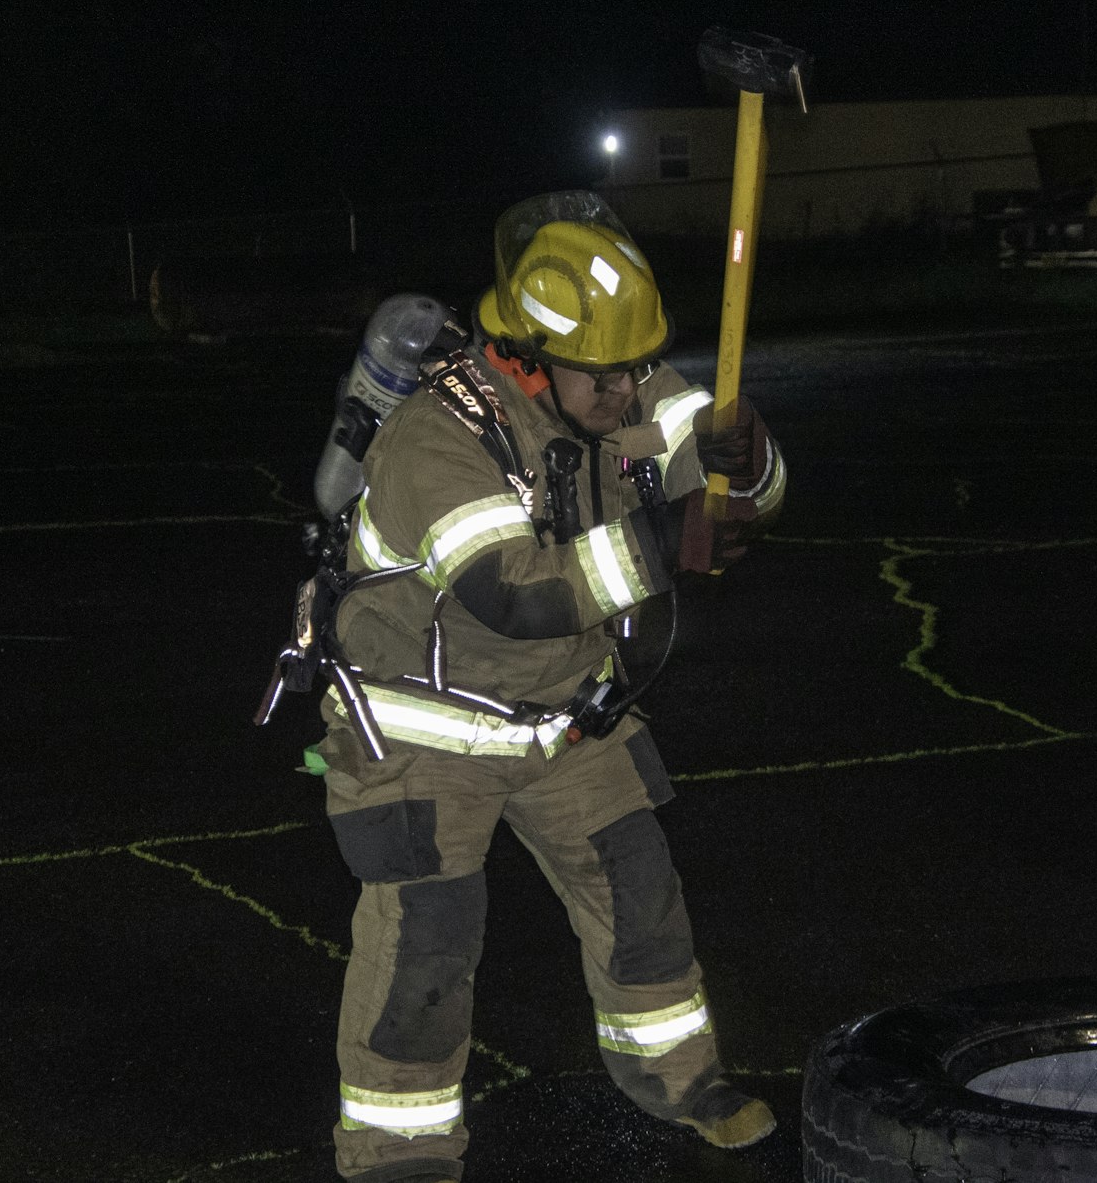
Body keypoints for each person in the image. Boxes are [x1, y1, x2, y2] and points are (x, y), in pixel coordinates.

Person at [313, 192, 786, 1181]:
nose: (628, 390)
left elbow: (733, 473)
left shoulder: (622, 380)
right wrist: (664, 538)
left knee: (638, 891)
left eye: (634, 366)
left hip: (564, 716)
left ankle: (676, 1078)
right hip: (423, 729)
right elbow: (516, 598)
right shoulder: (434, 443)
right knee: (426, 943)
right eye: (602, 374)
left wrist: (747, 460)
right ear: (528, 355)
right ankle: (398, 1152)